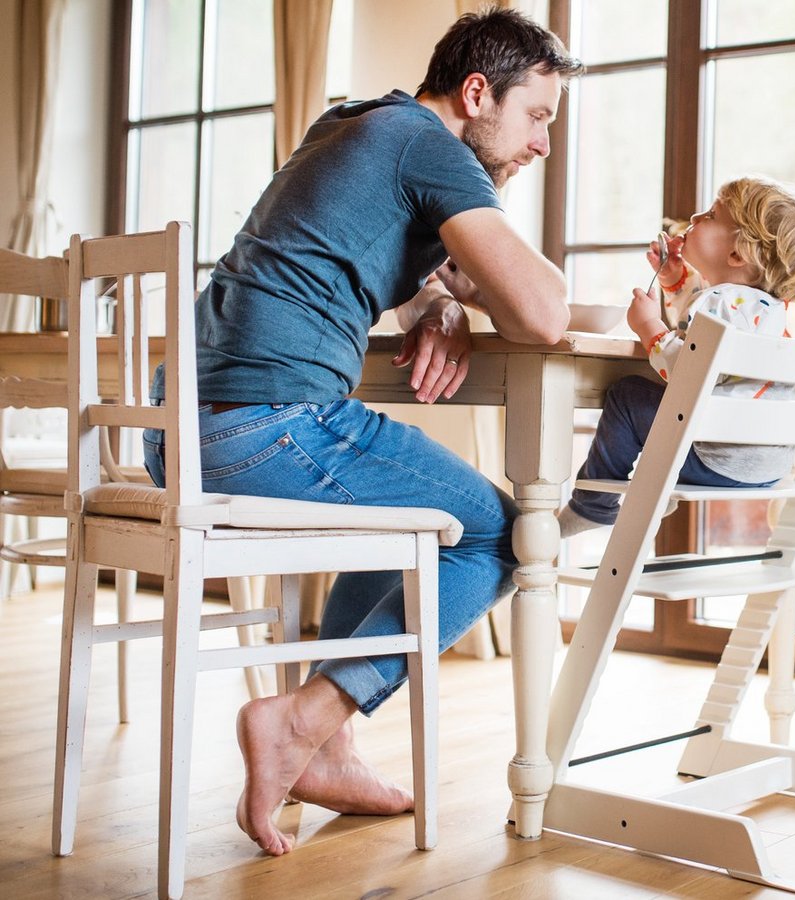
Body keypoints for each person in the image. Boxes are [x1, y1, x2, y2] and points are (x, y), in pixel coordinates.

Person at [140, 10, 582, 856]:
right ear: (477, 92)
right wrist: (471, 296)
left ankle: (330, 749)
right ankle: (305, 720)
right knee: (502, 532)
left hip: (183, 430)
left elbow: (361, 260)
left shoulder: (350, 122)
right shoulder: (431, 147)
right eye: (538, 115)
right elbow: (544, 314)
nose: (542, 144)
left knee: (405, 512)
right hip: (265, 422)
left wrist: (443, 302)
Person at [555, 175, 795, 537]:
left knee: (627, 396)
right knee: (659, 405)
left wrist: (649, 327)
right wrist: (674, 279)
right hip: (765, 469)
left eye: (712, 215)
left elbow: (689, 371)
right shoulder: (765, 310)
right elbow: (702, 334)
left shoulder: (721, 305)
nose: (695, 217)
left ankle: (592, 506)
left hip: (716, 461)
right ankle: (660, 476)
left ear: (737, 254)